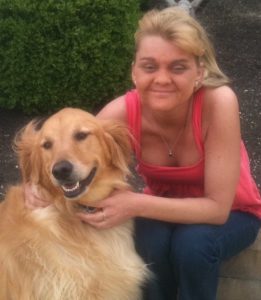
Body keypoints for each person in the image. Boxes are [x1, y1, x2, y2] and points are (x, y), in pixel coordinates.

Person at [25, 7, 261, 300]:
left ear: (199, 72)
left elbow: (216, 209)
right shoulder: (120, 113)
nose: (162, 79)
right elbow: (71, 153)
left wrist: (133, 202)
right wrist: (34, 182)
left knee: (193, 244)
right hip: (159, 208)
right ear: (134, 71)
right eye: (150, 67)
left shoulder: (219, 103)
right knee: (149, 239)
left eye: (178, 67)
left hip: (233, 214)